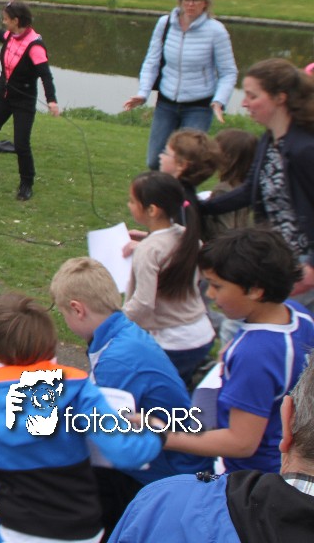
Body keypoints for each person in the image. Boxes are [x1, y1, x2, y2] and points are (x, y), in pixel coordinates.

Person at [0, 293, 164, 543]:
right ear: (48, 344)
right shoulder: (78, 388)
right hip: (83, 531)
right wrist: (156, 434)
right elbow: (125, 452)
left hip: (18, 531)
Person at [49, 258, 213, 534]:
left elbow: (104, 433)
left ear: (77, 309)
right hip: (165, 458)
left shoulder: (117, 359)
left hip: (163, 473)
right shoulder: (122, 333)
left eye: (63, 313)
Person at [109, 348, 314, 543]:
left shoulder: (164, 502)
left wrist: (163, 436)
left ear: (287, 418)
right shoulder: (295, 328)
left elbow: (242, 442)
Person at [160, 227, 314, 474]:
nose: (209, 294)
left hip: (254, 477)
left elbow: (241, 443)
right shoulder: (297, 314)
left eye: (217, 286)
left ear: (255, 290)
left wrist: (164, 437)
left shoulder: (254, 355)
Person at [200, 58, 314, 305]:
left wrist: (312, 268)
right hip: (277, 258)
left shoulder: (305, 149)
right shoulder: (269, 140)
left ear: (280, 98)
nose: (244, 103)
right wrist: (201, 207)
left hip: (303, 266)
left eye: (252, 96)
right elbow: (251, 190)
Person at [123, 0, 238, 170]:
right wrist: (143, 93)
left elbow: (228, 72)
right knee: (155, 161)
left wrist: (219, 100)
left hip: (198, 106)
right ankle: (160, 189)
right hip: (166, 103)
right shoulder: (165, 24)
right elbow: (152, 61)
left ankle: (181, 190)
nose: (190, 4)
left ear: (206, 3)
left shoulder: (216, 31)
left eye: (196, 0)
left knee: (187, 163)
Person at [123, 171, 215, 386]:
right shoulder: (187, 237)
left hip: (173, 342)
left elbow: (143, 303)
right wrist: (147, 238)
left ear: (152, 210)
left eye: (132, 201)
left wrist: (114, 320)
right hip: (201, 333)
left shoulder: (148, 251)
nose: (129, 205)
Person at [0, 1, 61, 202]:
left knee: (21, 143)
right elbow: (1, 35)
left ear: (16, 21)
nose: (3, 22)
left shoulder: (35, 46)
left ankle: (27, 182)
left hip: (24, 100)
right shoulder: (11, 35)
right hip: (4, 94)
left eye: (6, 19)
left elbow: (45, 75)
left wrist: (51, 100)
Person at [204, 128, 258, 240]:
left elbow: (226, 230)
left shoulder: (224, 190)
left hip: (225, 245)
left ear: (227, 157)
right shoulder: (245, 188)